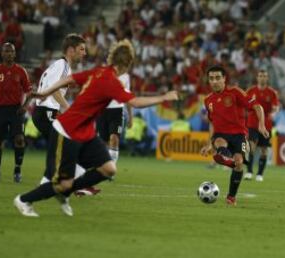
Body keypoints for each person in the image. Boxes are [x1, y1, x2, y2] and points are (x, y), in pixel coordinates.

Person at [14, 39, 179, 217]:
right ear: (127, 64)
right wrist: (163, 97)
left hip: (86, 133)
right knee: (64, 183)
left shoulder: (98, 72)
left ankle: (66, 191)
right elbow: (135, 102)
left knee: (109, 168)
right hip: (68, 131)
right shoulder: (111, 81)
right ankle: (24, 200)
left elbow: (69, 78)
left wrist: (45, 92)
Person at [200, 65, 268, 206]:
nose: (214, 81)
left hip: (239, 135)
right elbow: (212, 123)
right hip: (220, 135)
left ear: (224, 79)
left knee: (238, 163)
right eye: (211, 78)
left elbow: (257, 106)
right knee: (219, 141)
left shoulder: (235, 92)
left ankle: (231, 196)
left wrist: (261, 125)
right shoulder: (208, 100)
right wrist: (208, 144)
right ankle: (223, 155)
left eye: (218, 78)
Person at [32, 33, 86, 185]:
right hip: (46, 112)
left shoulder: (61, 66)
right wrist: (68, 108)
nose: (84, 53)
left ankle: (54, 181)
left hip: (45, 112)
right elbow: (55, 91)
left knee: (60, 146)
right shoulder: (63, 66)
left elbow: (50, 92)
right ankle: (74, 181)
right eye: (81, 49)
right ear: (71, 50)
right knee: (65, 145)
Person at [0, 42, 32, 182]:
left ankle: (17, 170)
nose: (9, 53)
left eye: (11, 51)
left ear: (15, 54)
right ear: (2, 53)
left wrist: (25, 106)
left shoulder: (21, 71)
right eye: (6, 51)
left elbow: (28, 91)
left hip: (16, 110)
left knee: (19, 139)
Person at [245, 70, 280, 182]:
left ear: (267, 78)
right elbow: (244, 103)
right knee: (251, 148)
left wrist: (275, 111)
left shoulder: (272, 92)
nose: (262, 78)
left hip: (266, 125)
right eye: (260, 76)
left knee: (264, 150)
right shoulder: (251, 90)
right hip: (252, 123)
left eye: (264, 76)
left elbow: (276, 106)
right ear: (257, 77)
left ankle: (260, 174)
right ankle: (249, 172)